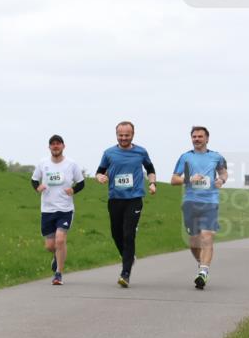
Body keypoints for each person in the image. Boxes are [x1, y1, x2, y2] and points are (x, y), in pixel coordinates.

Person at [95, 121, 157, 288]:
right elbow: (99, 171)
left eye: (126, 135)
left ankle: (125, 273)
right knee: (116, 233)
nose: (123, 138)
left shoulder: (141, 152)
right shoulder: (109, 153)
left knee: (128, 233)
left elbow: (150, 169)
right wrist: (100, 177)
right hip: (115, 198)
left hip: (134, 198)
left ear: (133, 135)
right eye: (120, 135)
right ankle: (129, 256)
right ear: (116, 135)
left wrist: (152, 184)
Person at [170, 126, 228, 289]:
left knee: (207, 236)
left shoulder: (216, 157)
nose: (196, 139)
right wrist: (189, 179)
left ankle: (203, 271)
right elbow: (174, 179)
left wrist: (221, 180)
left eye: (200, 136)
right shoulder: (185, 157)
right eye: (194, 137)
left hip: (210, 201)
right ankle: (201, 263)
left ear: (207, 139)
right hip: (190, 201)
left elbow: (223, 173)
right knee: (194, 242)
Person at [31, 135, 85, 285]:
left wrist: (73, 190)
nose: (55, 146)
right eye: (52, 144)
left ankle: (58, 274)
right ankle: (56, 256)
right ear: (49, 147)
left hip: (65, 208)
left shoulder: (71, 164)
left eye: (58, 144)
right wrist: (37, 187)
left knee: (60, 240)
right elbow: (34, 179)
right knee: (50, 246)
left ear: (63, 146)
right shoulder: (43, 163)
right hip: (47, 209)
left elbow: (81, 183)